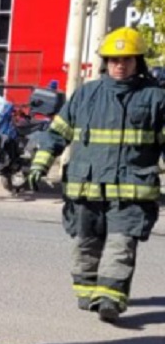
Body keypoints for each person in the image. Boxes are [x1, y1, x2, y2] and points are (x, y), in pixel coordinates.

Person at [28, 27, 165, 323]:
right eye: (114, 59)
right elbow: (58, 132)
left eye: (127, 59)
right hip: (85, 188)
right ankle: (87, 290)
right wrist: (40, 163)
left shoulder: (155, 98)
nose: (120, 65)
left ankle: (110, 299)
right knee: (84, 243)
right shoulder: (86, 95)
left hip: (131, 190)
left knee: (121, 243)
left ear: (138, 62)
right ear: (105, 62)